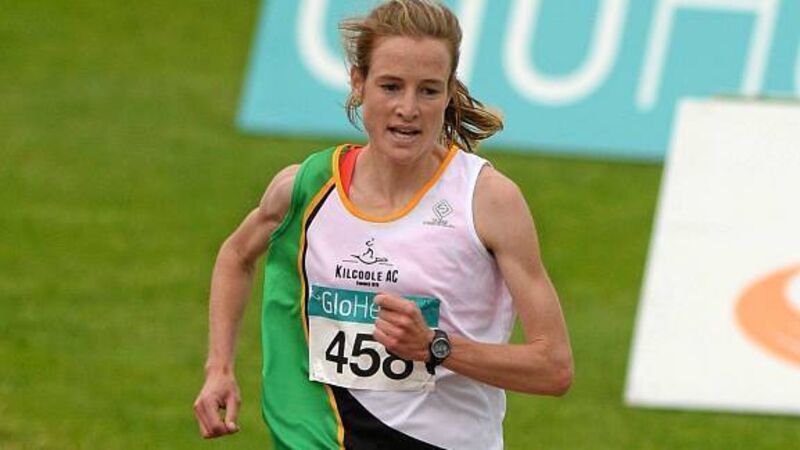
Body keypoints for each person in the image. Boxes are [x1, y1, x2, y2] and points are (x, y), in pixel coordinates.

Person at [193, 0, 573, 448]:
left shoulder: (487, 201)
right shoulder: (308, 188)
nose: (408, 108)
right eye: (391, 86)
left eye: (428, 91)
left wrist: (435, 347)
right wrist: (219, 368)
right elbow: (236, 255)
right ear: (358, 83)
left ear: (449, 92)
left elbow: (554, 367)